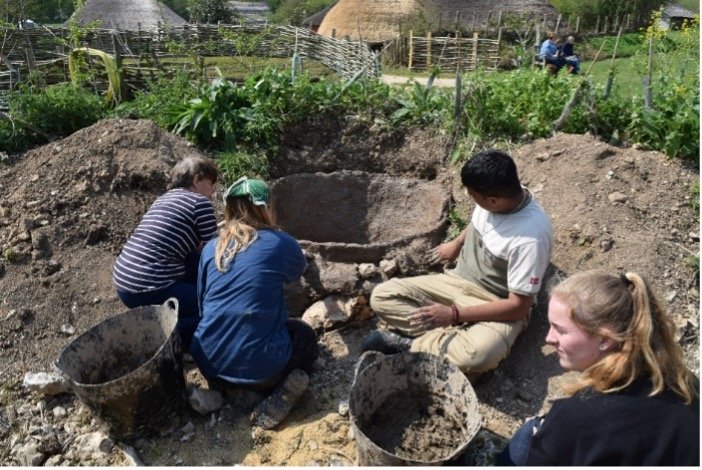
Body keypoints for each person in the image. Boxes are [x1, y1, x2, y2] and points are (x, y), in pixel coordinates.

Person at [362, 149, 553, 378]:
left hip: (494, 303)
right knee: (382, 296)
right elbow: (481, 221)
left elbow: (519, 306)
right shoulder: (499, 198)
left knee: (478, 354)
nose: (470, 198)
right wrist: (457, 242)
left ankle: (406, 345)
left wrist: (453, 315)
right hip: (455, 281)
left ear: (493, 200)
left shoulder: (530, 238)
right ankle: (448, 346)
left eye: (473, 196)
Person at [498, 270, 700, 466]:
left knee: (527, 435)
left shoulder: (576, 418)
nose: (549, 339)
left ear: (604, 339)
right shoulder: (685, 383)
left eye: (560, 330)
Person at [190, 176, 318, 429]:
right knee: (305, 337)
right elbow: (298, 271)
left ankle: (233, 391)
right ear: (265, 209)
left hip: (209, 364)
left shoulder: (211, 249)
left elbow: (203, 306)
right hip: (262, 368)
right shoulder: (280, 242)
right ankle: (275, 390)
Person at [113, 155, 218, 350]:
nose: (212, 192)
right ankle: (159, 338)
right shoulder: (199, 203)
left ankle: (167, 315)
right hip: (150, 287)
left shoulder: (162, 200)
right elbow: (216, 252)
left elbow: (192, 248)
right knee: (214, 303)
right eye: (210, 185)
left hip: (124, 282)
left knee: (196, 264)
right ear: (196, 180)